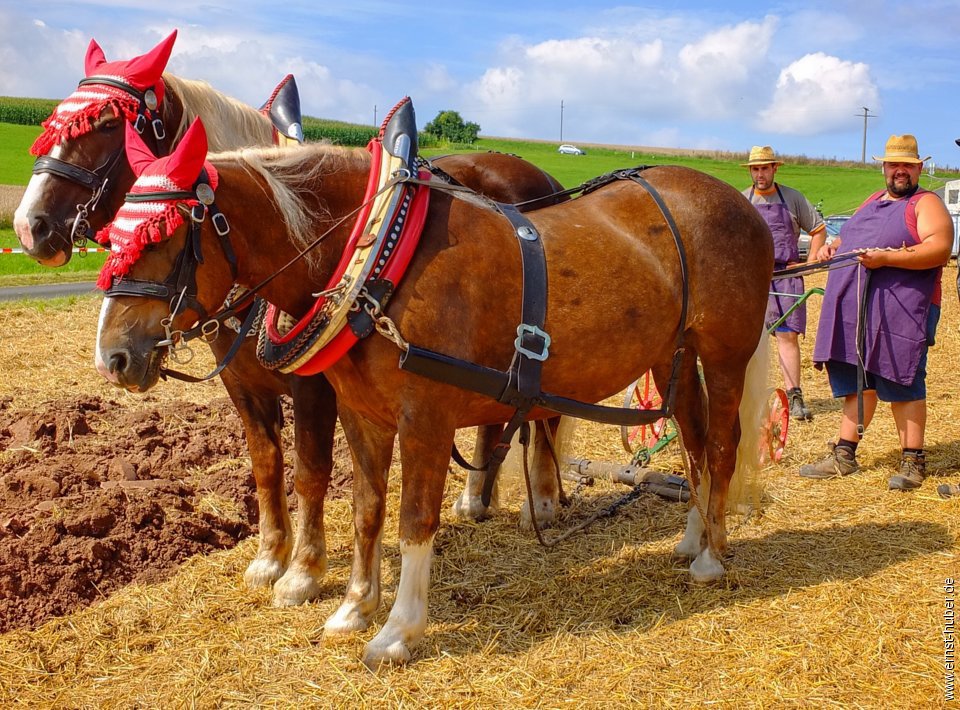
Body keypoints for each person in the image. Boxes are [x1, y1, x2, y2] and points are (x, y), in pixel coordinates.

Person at [799, 134, 953, 491]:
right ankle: (844, 454)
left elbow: (940, 248)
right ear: (884, 167)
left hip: (903, 308)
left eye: (907, 165)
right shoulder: (871, 201)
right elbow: (846, 239)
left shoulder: (925, 202)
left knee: (903, 377)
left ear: (919, 167)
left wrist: (887, 258)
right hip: (858, 304)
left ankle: (912, 459)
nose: (900, 171)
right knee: (858, 377)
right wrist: (831, 249)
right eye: (893, 164)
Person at [742, 145, 827, 420]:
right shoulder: (743, 200)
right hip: (754, 277)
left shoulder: (792, 198)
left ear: (774, 168)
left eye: (764, 168)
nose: (760, 174)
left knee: (787, 335)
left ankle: (795, 395)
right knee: (750, 337)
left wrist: (810, 261)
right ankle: (746, 393)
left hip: (787, 275)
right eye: (755, 169)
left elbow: (818, 229)